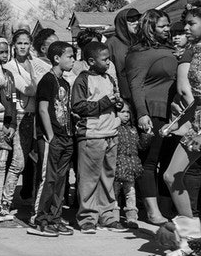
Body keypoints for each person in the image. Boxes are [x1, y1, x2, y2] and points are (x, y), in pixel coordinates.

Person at [125, 9, 176, 225]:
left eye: (168, 25)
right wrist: (142, 113)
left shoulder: (170, 48)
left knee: (169, 163)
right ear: (150, 28)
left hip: (174, 114)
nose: (167, 29)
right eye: (162, 26)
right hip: (152, 111)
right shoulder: (139, 52)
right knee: (149, 162)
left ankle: (166, 210)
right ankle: (152, 212)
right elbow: (136, 85)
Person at [72, 41, 126, 234]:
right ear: (91, 61)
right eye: (104, 59)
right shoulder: (83, 79)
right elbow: (78, 106)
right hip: (91, 135)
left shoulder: (109, 78)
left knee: (107, 178)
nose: (108, 62)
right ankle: (87, 218)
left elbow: (114, 101)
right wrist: (104, 103)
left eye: (109, 59)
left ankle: (108, 216)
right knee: (89, 179)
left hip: (111, 134)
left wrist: (117, 104)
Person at [163, 6, 201, 256]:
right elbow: (196, 99)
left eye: (192, 23)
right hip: (196, 121)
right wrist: (177, 124)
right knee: (171, 175)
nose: (185, 28)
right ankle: (193, 239)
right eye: (185, 23)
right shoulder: (195, 50)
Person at [27, 41, 75, 237]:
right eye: (69, 56)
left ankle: (55, 217)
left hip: (66, 137)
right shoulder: (47, 80)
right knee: (47, 178)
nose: (73, 60)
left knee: (61, 180)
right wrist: (50, 135)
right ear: (57, 58)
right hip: (51, 137)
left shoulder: (65, 83)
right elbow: (43, 109)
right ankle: (39, 219)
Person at [3, 29, 38, 203]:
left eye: (26, 43)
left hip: (36, 116)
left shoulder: (36, 64)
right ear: (13, 46)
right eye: (19, 43)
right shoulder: (9, 67)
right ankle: (5, 201)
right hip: (20, 116)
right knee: (18, 162)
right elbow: (28, 89)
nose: (23, 47)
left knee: (36, 161)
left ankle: (35, 201)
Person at [0, 38, 20, 221]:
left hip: (6, 125)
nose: (4, 55)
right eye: (0, 52)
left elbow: (13, 101)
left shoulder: (9, 75)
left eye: (6, 52)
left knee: (2, 166)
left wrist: (13, 124)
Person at [114, 102, 142, 230]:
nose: (126, 115)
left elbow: (140, 146)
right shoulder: (114, 128)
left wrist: (147, 135)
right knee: (114, 194)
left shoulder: (133, 130)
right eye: (122, 112)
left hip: (131, 167)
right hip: (117, 166)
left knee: (130, 193)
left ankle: (132, 218)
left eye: (128, 112)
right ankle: (114, 217)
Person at [106, 8, 140, 103]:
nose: (136, 22)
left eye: (137, 19)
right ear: (122, 22)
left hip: (143, 94)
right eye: (131, 20)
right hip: (123, 98)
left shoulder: (141, 42)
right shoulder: (111, 44)